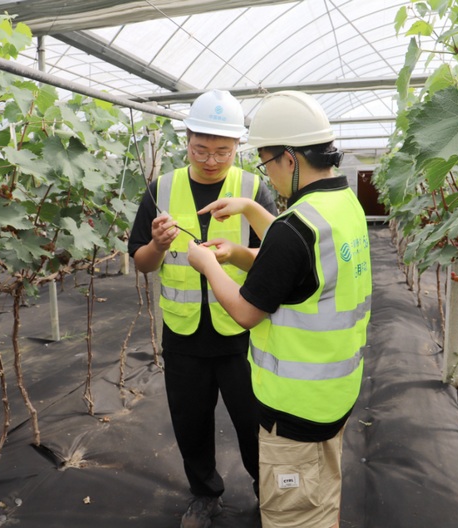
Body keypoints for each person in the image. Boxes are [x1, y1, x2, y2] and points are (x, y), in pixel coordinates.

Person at [186, 90, 372, 528]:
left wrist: (209, 265)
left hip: (295, 408)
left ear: (290, 158)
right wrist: (250, 210)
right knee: (321, 496)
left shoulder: (296, 227)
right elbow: (297, 264)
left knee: (294, 514)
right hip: (334, 392)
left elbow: (248, 312)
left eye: (266, 162)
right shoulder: (343, 206)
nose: (267, 174)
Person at [127, 89, 277, 528]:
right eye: (201, 149)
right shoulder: (163, 188)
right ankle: (205, 494)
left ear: (237, 148)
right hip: (184, 333)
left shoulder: (253, 188)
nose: (211, 160)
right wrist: (156, 244)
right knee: (190, 422)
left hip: (242, 333)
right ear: (187, 139)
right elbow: (141, 263)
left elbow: (276, 258)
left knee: (254, 422)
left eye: (223, 151)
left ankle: (265, 492)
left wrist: (234, 255)